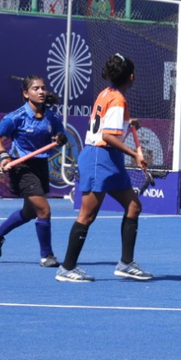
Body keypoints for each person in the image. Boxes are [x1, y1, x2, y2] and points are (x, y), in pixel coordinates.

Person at [55, 54, 152, 283]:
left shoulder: (107, 93)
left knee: (133, 206)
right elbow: (108, 135)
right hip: (100, 157)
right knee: (87, 215)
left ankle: (126, 264)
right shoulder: (117, 99)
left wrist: (131, 123)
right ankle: (66, 268)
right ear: (132, 77)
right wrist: (134, 154)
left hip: (109, 159)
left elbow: (110, 123)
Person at [0, 75, 65, 267]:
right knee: (44, 210)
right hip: (21, 167)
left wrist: (60, 139)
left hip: (40, 166)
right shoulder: (16, 117)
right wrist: (4, 155)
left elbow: (61, 137)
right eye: (36, 89)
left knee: (30, 212)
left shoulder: (51, 116)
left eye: (43, 88)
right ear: (25, 93)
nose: (41, 92)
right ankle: (47, 256)